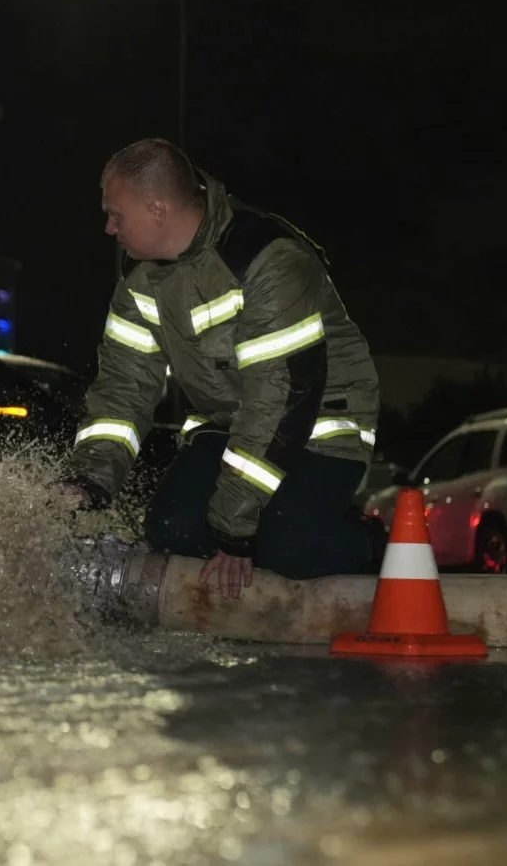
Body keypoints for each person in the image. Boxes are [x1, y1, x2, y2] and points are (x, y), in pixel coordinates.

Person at [60, 139, 383, 599]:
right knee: (172, 530)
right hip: (230, 427)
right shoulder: (139, 283)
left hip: (319, 424)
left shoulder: (269, 258)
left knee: (286, 548)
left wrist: (235, 525)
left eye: (116, 214)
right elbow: (121, 392)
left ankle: (368, 546)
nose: (109, 228)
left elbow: (282, 397)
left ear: (157, 210)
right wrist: (88, 480)